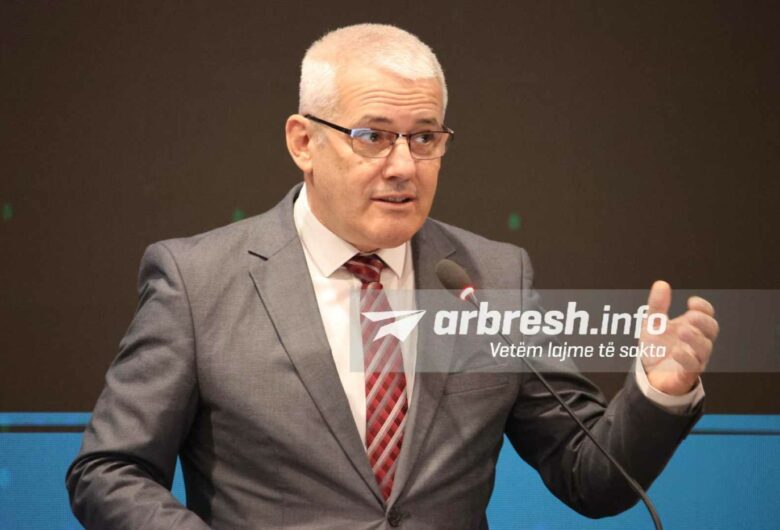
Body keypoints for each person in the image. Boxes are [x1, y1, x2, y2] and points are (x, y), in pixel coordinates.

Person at [66, 24, 719, 529]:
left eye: (425, 137)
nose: (404, 165)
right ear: (303, 142)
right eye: (372, 136)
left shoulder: (492, 278)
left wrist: (658, 392)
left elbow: (590, 477)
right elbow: (109, 471)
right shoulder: (197, 280)